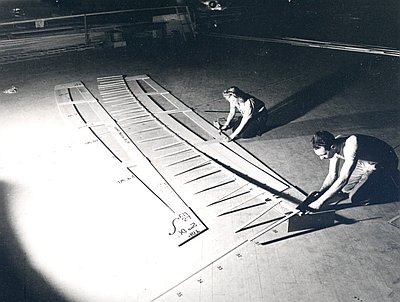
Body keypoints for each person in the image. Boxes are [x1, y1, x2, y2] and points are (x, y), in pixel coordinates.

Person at [307, 131, 399, 210]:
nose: (321, 158)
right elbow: (332, 175)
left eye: (323, 155)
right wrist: (321, 192)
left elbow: (343, 179)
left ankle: (389, 180)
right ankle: (372, 179)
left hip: (384, 163)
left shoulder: (351, 145)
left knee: (355, 198)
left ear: (332, 147)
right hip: (364, 162)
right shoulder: (334, 143)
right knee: (344, 190)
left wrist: (320, 202)